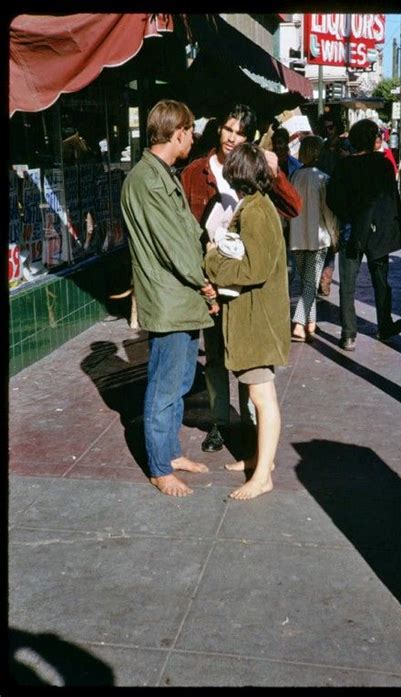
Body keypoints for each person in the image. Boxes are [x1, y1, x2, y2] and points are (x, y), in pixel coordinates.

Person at [181, 104, 301, 454]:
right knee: (215, 356)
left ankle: (251, 427)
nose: (232, 137)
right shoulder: (195, 171)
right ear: (219, 129)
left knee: (249, 358)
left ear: (249, 139)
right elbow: (187, 227)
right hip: (213, 277)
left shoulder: (255, 177)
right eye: (228, 129)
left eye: (240, 133)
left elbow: (293, 207)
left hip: (243, 282)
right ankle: (220, 422)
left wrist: (273, 170)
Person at [120, 99, 218, 497]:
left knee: (178, 380)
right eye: (191, 131)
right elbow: (173, 245)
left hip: (181, 298)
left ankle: (170, 452)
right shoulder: (147, 180)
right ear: (177, 132)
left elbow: (184, 235)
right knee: (164, 385)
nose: (193, 138)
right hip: (171, 297)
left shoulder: (161, 174)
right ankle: (160, 468)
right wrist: (204, 280)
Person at [204, 142, 290, 500]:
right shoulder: (257, 206)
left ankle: (263, 476)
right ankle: (259, 459)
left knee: (261, 396)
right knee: (259, 395)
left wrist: (213, 263)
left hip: (258, 321)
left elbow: (254, 268)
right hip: (258, 317)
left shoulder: (255, 211)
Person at [326, 118, 401, 351]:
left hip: (352, 231)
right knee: (381, 281)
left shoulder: (344, 166)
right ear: (372, 139)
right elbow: (390, 200)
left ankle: (348, 334)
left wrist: (349, 216)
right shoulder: (382, 165)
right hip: (377, 232)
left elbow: (332, 198)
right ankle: (384, 325)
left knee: (348, 284)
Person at [288, 135, 339, 342]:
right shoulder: (322, 178)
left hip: (297, 237)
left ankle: (311, 323)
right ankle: (299, 324)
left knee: (307, 282)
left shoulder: (294, 177)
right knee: (311, 284)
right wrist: (335, 237)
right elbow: (328, 213)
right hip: (318, 238)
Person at [315, 114, 352, 297]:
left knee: (334, 240)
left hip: (338, 198)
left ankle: (326, 280)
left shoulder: (345, 146)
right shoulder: (322, 146)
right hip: (322, 196)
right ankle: (322, 278)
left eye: (331, 127)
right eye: (326, 128)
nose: (329, 131)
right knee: (325, 239)